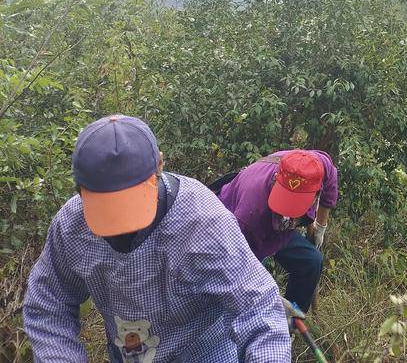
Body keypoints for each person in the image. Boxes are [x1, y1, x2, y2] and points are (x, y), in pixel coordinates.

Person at [24, 114, 292, 363]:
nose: (120, 227)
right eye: (107, 208)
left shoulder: (202, 221)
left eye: (130, 204)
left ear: (160, 165)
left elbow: (258, 307)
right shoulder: (72, 226)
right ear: (81, 188)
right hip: (130, 352)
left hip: (207, 352)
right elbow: (49, 302)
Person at [217, 149, 338, 312]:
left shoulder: (318, 166)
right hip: (244, 231)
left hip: (281, 228)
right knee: (244, 302)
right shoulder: (248, 217)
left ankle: (293, 322)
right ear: (276, 180)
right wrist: (271, 297)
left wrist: (320, 227)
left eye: (295, 204)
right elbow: (238, 270)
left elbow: (330, 186)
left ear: (315, 194)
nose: (288, 211)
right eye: (287, 201)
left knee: (311, 261)